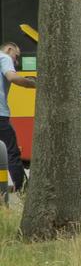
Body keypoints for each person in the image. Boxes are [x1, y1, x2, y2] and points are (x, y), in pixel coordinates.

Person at [0, 42, 36, 192]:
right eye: (16, 56)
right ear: (9, 49)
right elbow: (12, 77)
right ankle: (22, 189)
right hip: (0, 115)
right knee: (11, 152)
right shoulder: (4, 57)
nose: (16, 61)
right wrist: (32, 84)